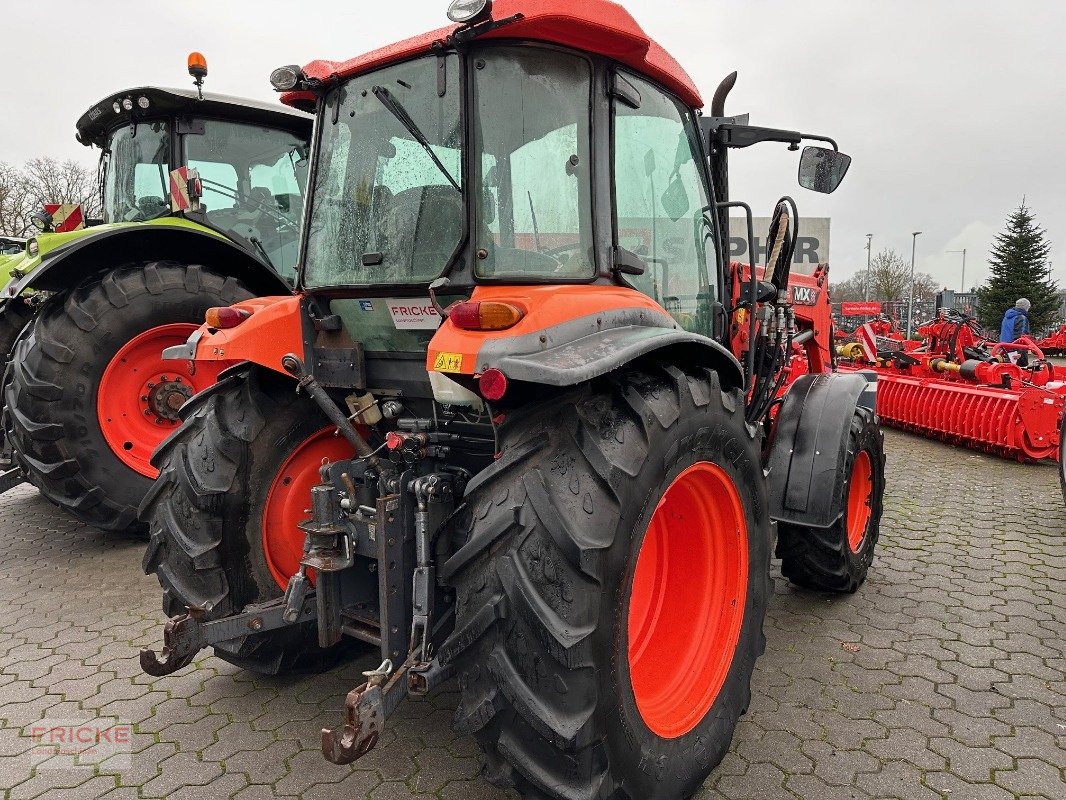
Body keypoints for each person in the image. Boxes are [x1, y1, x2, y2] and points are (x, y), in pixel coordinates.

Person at [1000, 298, 1031, 365]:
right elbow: (1021, 337)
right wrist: (1020, 353)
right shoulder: (1021, 318)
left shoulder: (1006, 317)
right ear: (1025, 307)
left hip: (1004, 348)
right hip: (1015, 351)